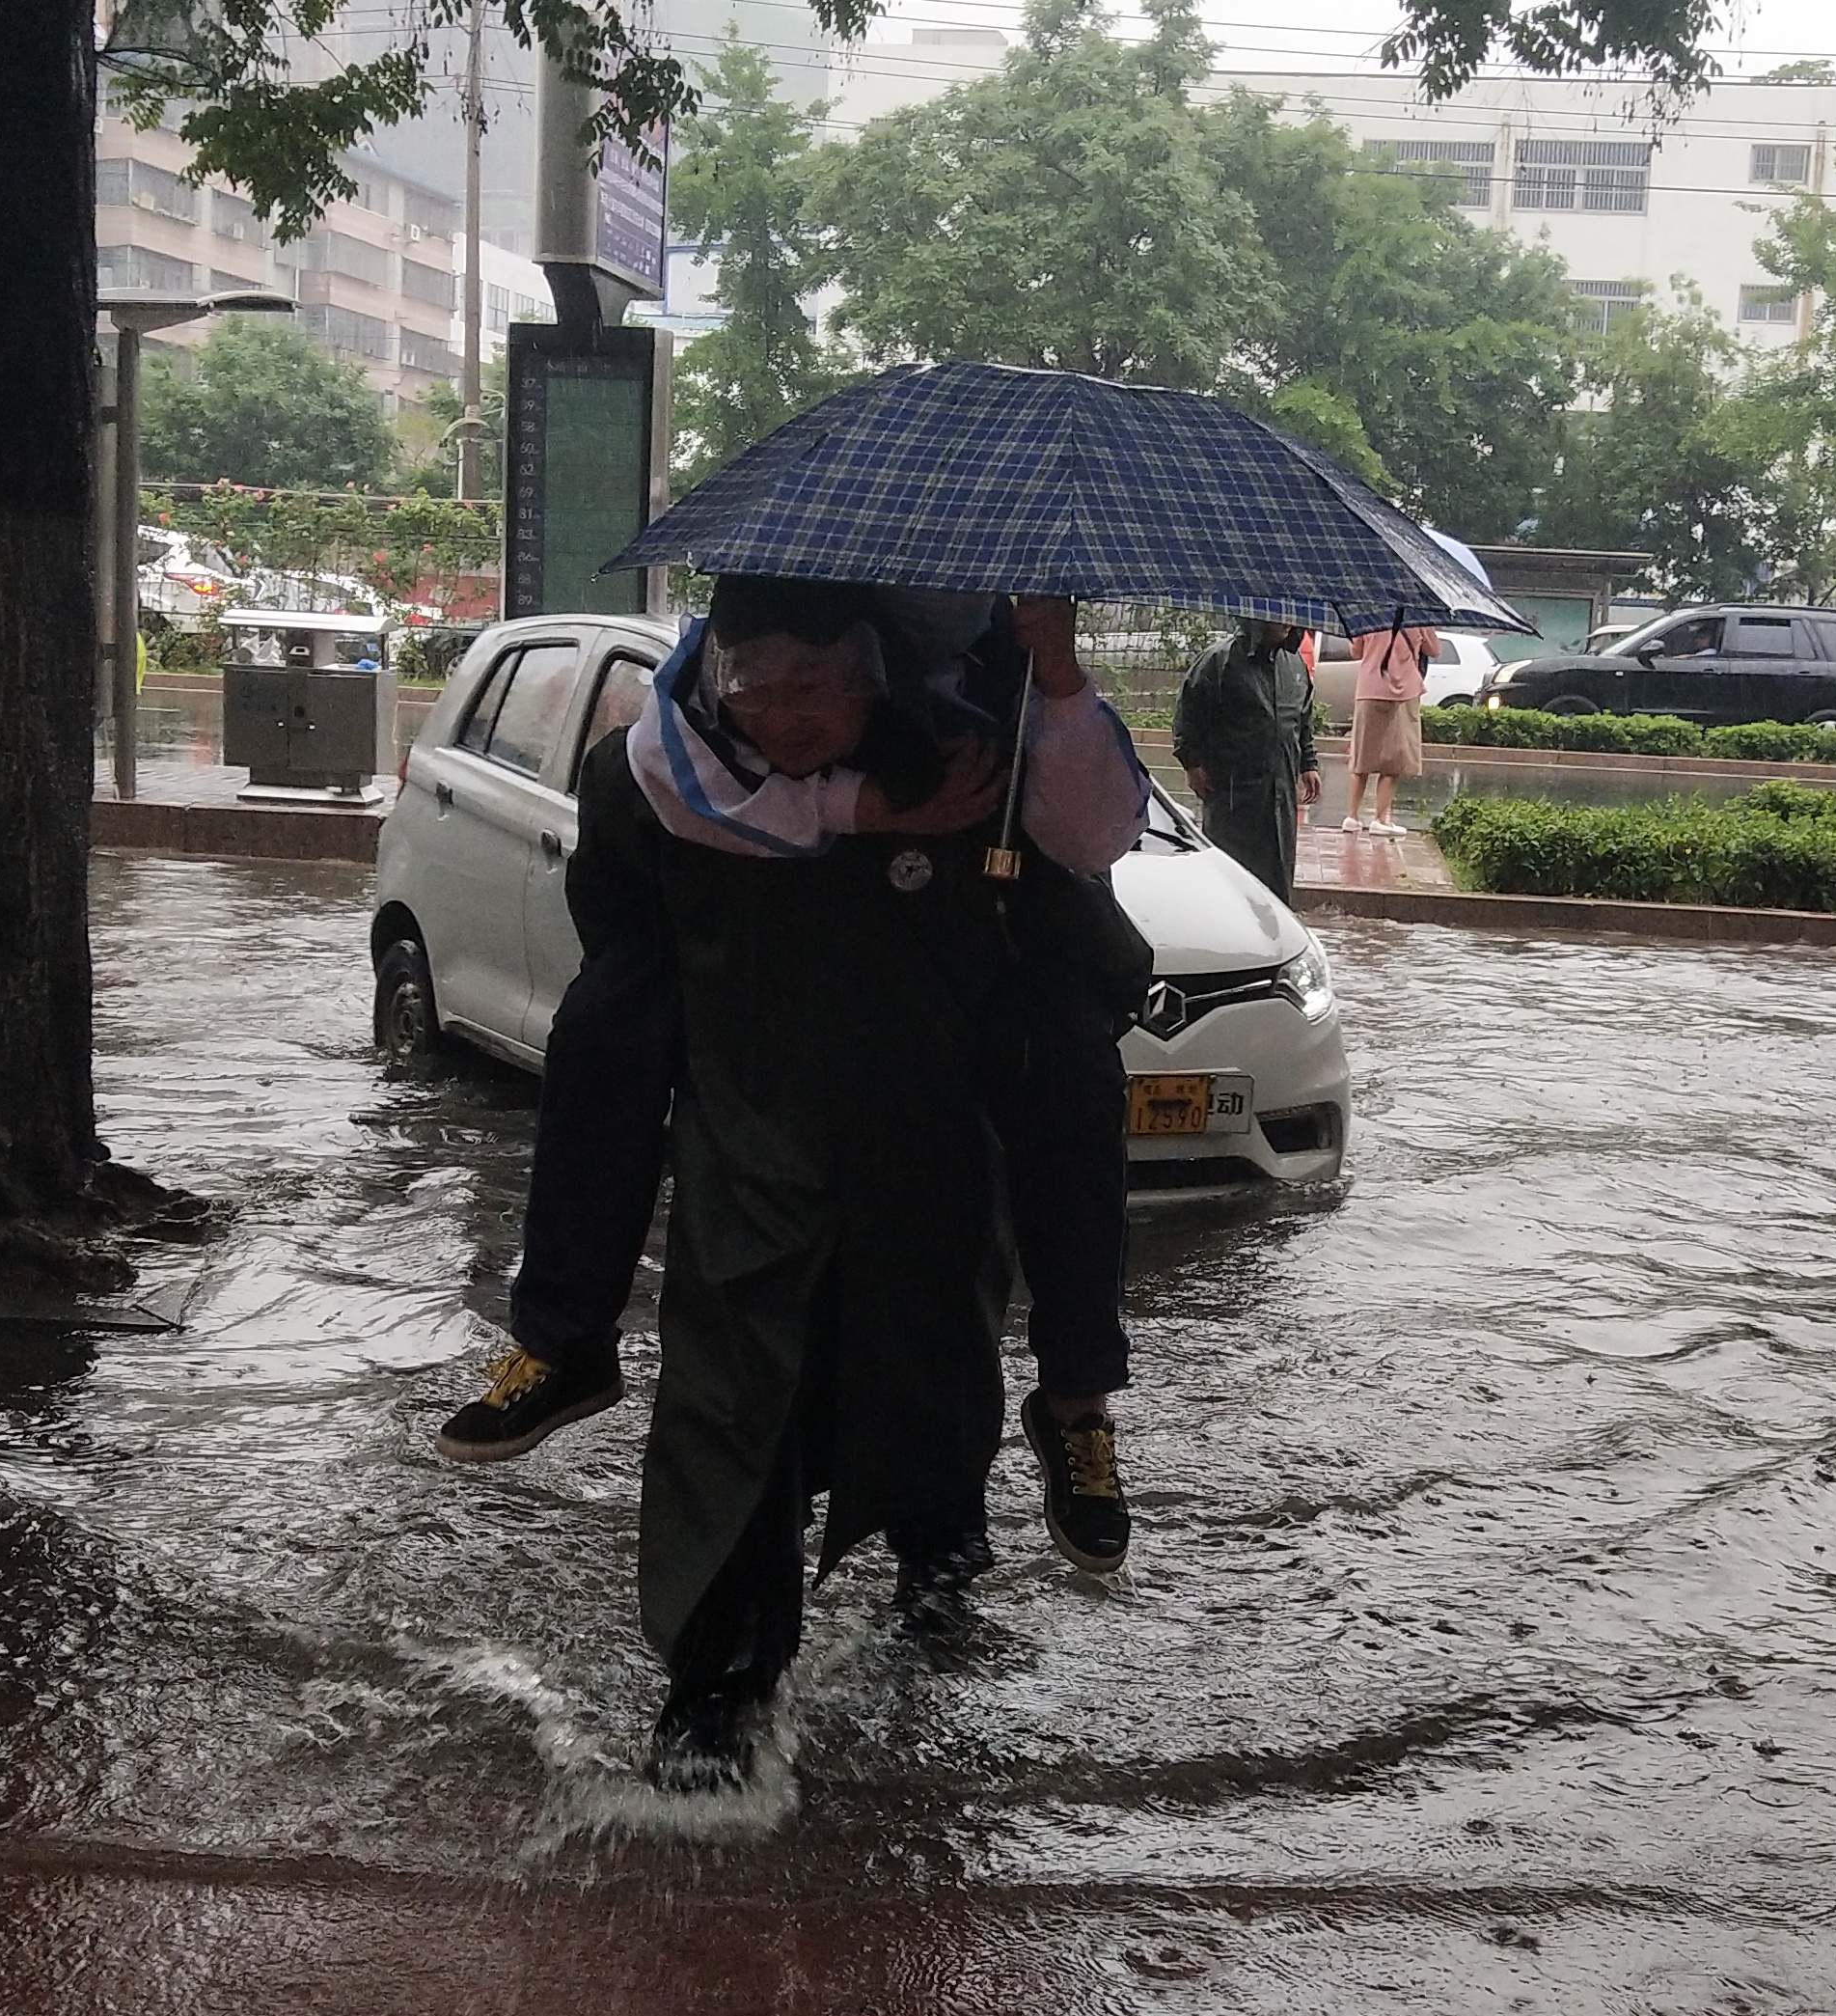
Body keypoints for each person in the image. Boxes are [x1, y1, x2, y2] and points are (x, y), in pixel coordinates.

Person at [439, 579, 1152, 1626]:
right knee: (734, 1424)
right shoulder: (672, 744)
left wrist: (1054, 672)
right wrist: (861, 812)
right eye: (761, 687)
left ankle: (1067, 1412)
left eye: (820, 686)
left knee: (1070, 1094)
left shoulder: (985, 729)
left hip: (933, 1159)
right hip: (752, 1156)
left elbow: (1096, 839)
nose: (788, 714)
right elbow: (650, 835)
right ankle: (571, 1349)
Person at [1173, 617, 1320, 900]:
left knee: (1277, 875)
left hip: (1281, 794)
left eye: (1290, 615)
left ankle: (1275, 922)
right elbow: (1189, 713)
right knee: (1230, 876)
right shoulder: (1219, 661)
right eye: (1277, 615)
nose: (1286, 622)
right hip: (1233, 792)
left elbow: (1301, 719)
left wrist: (1308, 763)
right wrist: (1192, 763)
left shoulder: (1293, 665)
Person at [1342, 619, 1444, 840]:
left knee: (1361, 756)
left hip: (1368, 689)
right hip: (1403, 693)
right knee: (1393, 760)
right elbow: (1434, 650)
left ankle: (1351, 817)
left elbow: (1355, 651)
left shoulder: (1370, 615)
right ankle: (1380, 820)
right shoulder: (1417, 617)